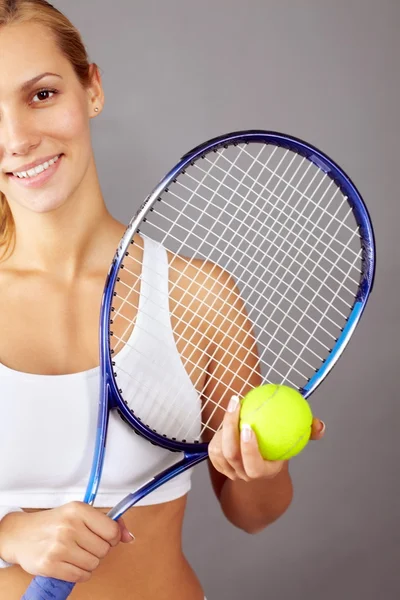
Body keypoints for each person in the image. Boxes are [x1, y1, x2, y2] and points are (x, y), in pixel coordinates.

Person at [0, 1, 325, 599]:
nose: (17, 139)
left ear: (91, 88)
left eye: (41, 94)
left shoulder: (197, 296)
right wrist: (9, 537)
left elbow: (254, 512)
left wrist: (263, 466)